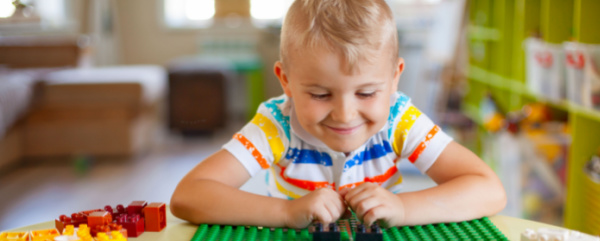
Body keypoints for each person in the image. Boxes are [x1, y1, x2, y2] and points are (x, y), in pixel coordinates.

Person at [170, 0, 506, 229]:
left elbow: (488, 190)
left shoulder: (399, 119)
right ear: (285, 81)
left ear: (394, 79)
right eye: (319, 94)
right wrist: (287, 212)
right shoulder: (277, 125)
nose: (345, 115)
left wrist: (404, 209)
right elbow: (190, 195)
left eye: (366, 92)